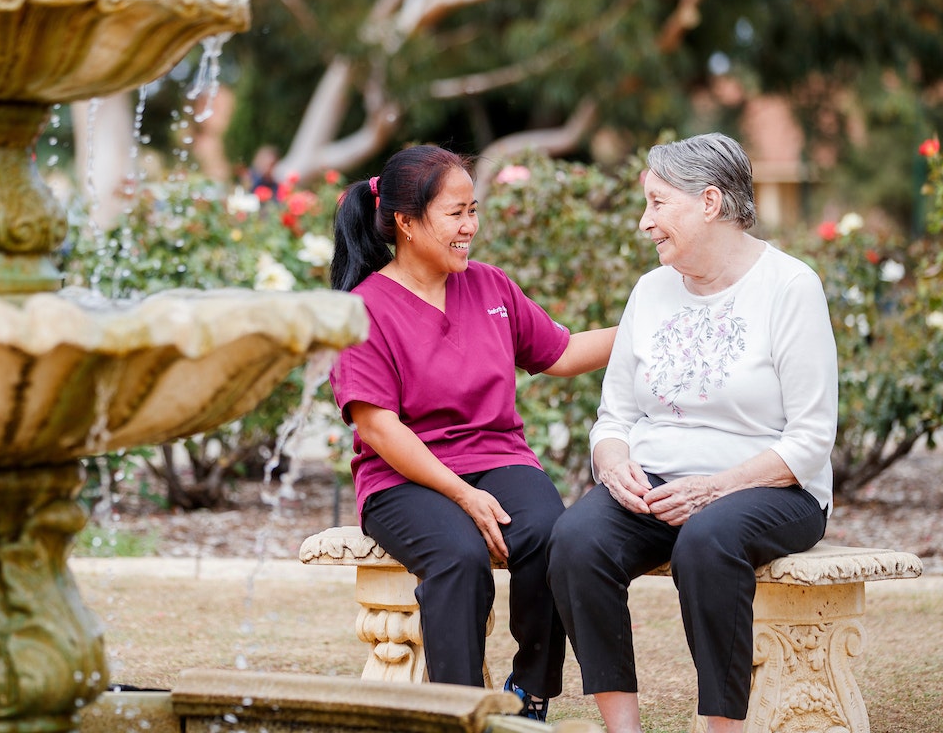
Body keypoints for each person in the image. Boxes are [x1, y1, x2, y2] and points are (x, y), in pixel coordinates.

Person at [546, 133, 838, 733]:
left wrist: (716, 487)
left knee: (706, 540)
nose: (643, 222)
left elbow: (810, 440)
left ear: (709, 202)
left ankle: (720, 728)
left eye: (657, 204)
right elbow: (614, 416)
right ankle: (622, 728)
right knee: (575, 539)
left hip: (775, 489)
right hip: (656, 486)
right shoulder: (650, 292)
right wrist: (614, 461)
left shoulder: (790, 288)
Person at [328, 144, 615, 721]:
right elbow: (378, 427)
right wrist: (462, 495)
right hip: (400, 476)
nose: (470, 227)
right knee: (457, 557)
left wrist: (650, 324)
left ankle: (528, 694)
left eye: (473, 210)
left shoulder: (490, 287)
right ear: (406, 223)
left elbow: (561, 352)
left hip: (498, 456)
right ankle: (456, 710)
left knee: (550, 534)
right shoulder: (363, 310)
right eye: (455, 214)